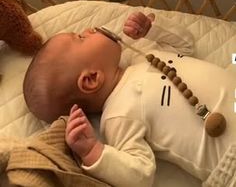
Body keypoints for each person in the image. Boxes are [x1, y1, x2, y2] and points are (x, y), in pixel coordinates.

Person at [23, 12, 236, 187]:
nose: (89, 29)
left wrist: (152, 29)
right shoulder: (118, 115)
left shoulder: (143, 56)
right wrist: (94, 152)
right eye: (81, 37)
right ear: (91, 79)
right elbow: (141, 174)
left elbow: (187, 46)